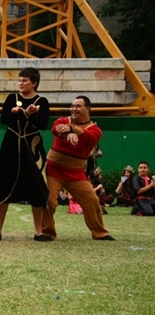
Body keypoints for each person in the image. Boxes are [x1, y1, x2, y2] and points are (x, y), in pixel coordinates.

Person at [41, 96, 115, 240]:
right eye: (72, 105)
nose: (74, 108)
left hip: (76, 172)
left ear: (87, 109)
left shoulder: (95, 130)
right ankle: (47, 232)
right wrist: (68, 132)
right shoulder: (63, 120)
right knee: (48, 200)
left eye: (78, 106)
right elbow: (56, 129)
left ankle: (100, 233)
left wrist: (72, 129)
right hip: (53, 169)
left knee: (92, 200)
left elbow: (89, 137)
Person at [0, 67, 50, 241]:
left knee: (37, 186)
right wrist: (15, 113)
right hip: (11, 144)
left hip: (32, 147)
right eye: (19, 80)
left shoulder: (42, 101)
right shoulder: (12, 98)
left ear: (34, 83)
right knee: (3, 183)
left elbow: (42, 125)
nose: (21, 83)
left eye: (25, 80)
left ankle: (38, 232)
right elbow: (4, 119)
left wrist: (30, 115)